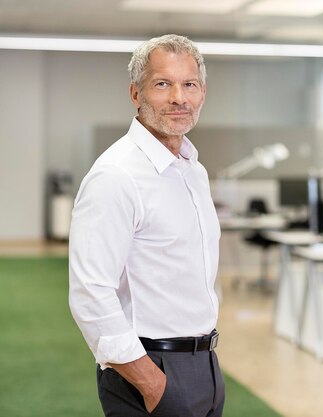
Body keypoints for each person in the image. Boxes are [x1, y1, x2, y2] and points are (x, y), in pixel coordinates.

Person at [69, 34, 224, 417]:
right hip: (150, 369)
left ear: (202, 93)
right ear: (136, 94)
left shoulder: (193, 171)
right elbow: (91, 293)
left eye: (189, 84)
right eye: (162, 84)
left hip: (204, 363)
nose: (178, 98)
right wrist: (152, 384)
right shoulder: (117, 175)